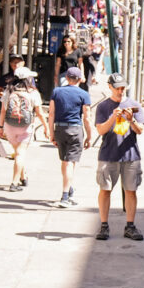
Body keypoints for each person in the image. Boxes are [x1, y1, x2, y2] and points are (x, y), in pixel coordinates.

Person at [93, 73, 144, 241]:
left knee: (131, 190)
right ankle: (104, 225)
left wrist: (131, 120)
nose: (121, 91)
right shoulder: (103, 107)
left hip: (130, 154)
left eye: (123, 88)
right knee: (105, 190)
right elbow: (101, 130)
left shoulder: (134, 105)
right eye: (117, 88)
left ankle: (130, 225)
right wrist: (112, 118)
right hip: (108, 153)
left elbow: (140, 130)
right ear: (110, 87)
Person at [47, 66, 94, 207]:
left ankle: (69, 186)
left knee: (65, 160)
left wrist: (51, 133)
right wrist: (89, 136)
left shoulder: (57, 92)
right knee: (70, 162)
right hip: (75, 129)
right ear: (80, 79)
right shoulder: (84, 94)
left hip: (60, 128)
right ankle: (65, 196)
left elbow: (51, 114)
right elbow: (87, 118)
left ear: (66, 78)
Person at [0, 66, 49, 191]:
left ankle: (23, 176)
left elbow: (3, 111)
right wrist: (46, 127)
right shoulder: (33, 93)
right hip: (25, 127)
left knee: (18, 153)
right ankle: (14, 183)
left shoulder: (8, 91)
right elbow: (39, 112)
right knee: (20, 154)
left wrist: (0, 127)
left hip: (9, 126)